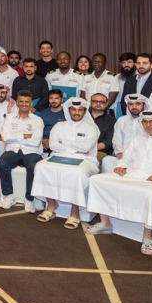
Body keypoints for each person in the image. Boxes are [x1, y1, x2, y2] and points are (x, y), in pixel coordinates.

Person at [85, 111, 152, 255]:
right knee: (97, 180)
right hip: (131, 175)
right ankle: (105, 222)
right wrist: (120, 167)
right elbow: (125, 159)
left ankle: (147, 235)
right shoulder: (136, 139)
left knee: (149, 193)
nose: (148, 125)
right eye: (145, 122)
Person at [32, 97, 100, 229]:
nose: (76, 112)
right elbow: (53, 145)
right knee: (41, 166)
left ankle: (75, 212)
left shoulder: (91, 128)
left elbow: (87, 148)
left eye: (80, 110)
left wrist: (64, 143)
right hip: (59, 156)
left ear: (84, 111)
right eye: (73, 110)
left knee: (77, 173)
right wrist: (76, 149)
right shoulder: (59, 126)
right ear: (68, 111)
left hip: (86, 160)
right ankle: (51, 204)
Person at [0, 89, 45, 211]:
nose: (24, 104)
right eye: (21, 101)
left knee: (34, 167)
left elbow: (35, 141)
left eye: (26, 102)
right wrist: (24, 135)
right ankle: (8, 196)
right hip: (13, 150)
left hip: (31, 151)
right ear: (17, 103)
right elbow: (5, 137)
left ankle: (29, 199)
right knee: (2, 163)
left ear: (31, 104)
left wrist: (15, 137)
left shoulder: (37, 120)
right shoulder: (10, 118)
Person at [105, 93, 148, 172]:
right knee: (107, 161)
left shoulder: (148, 122)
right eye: (131, 104)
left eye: (138, 104)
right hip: (123, 157)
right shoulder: (121, 120)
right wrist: (120, 153)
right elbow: (116, 140)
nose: (134, 107)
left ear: (144, 105)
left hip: (142, 159)